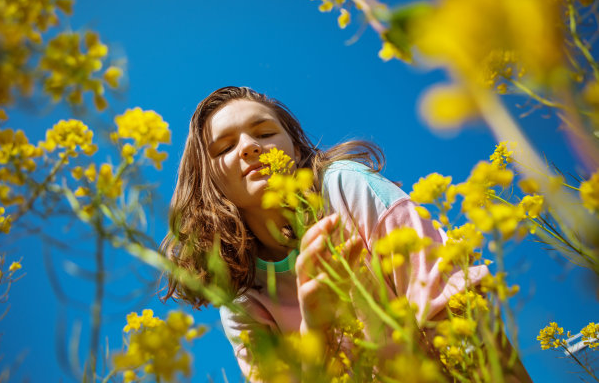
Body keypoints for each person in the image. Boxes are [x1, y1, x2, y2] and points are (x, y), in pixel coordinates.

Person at [160, 86, 525, 381]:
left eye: (265, 132)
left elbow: (452, 306)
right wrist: (316, 328)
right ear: (208, 184)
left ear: (296, 149)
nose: (250, 147)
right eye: (225, 147)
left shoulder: (344, 188)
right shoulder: (242, 300)